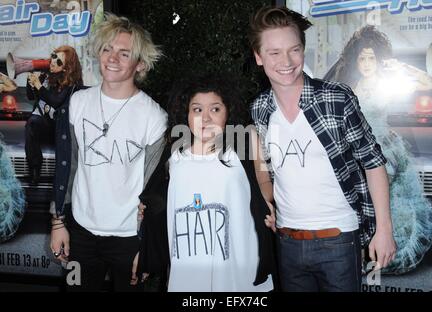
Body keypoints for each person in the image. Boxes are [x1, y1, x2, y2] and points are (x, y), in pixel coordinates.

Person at [248, 6, 396, 291]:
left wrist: (384, 230)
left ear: (303, 50)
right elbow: (264, 169)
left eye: (294, 50)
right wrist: (267, 200)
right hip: (288, 243)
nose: (286, 61)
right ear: (258, 56)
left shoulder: (336, 98)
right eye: (274, 52)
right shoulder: (259, 109)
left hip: (339, 239)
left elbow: (373, 163)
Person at [49, 13, 168, 291]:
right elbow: (67, 169)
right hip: (80, 234)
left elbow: (155, 190)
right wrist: (58, 223)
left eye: (124, 53)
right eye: (107, 49)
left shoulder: (154, 117)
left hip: (130, 240)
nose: (112, 58)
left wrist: (147, 246)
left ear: (140, 64)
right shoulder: (76, 103)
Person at [137, 74, 277, 292]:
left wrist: (268, 203)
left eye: (215, 109)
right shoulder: (174, 153)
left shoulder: (245, 141)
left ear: (228, 111)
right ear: (187, 113)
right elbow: (155, 202)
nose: (206, 118)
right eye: (197, 109)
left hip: (238, 270)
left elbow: (264, 182)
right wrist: (146, 246)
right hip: (188, 271)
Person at [332, 26, 432, 274]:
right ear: (354, 59)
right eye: (362, 57)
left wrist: (403, 69)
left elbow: (430, 83)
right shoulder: (348, 84)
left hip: (386, 149)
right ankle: (359, 255)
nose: (367, 63)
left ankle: (385, 255)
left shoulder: (388, 81)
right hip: (355, 150)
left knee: (391, 204)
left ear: (379, 59)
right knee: (357, 204)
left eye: (371, 57)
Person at [25, 46, 82, 184]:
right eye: (54, 57)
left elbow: (56, 101)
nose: (53, 62)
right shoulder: (46, 75)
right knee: (31, 122)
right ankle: (35, 169)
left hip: (60, 127)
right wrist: (30, 83)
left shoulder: (71, 83)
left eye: (59, 62)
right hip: (44, 121)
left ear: (66, 68)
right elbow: (31, 97)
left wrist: (39, 86)